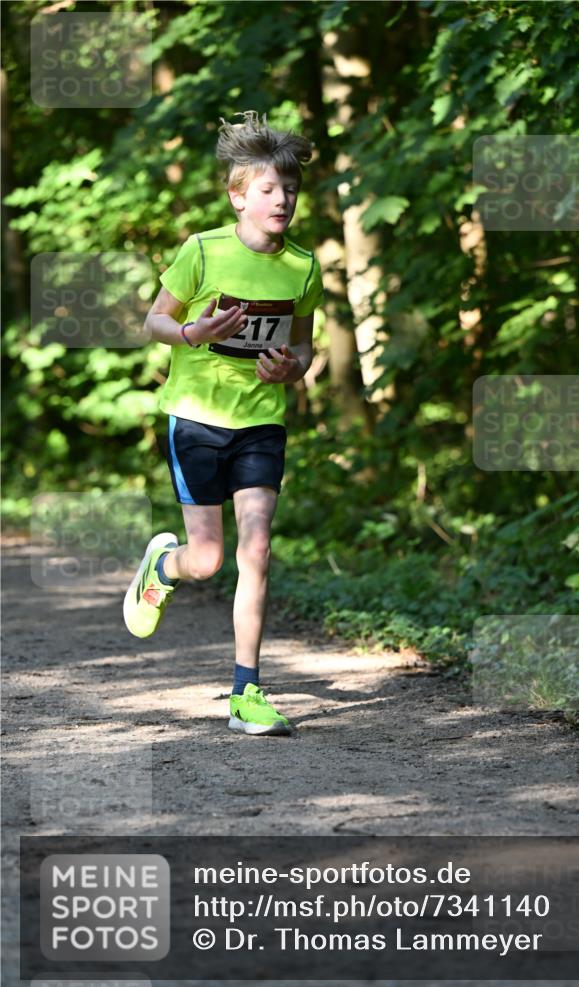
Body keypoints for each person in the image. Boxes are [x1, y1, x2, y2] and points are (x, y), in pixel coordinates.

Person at [123, 110, 324, 736]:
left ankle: (247, 692)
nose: (283, 199)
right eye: (268, 189)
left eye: (290, 189)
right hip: (197, 421)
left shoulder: (303, 267)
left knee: (257, 549)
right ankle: (163, 567)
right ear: (239, 197)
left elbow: (307, 347)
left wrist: (290, 369)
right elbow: (153, 322)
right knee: (208, 560)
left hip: (262, 423)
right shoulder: (202, 251)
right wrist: (191, 331)